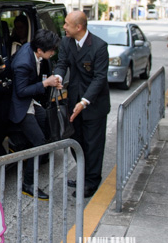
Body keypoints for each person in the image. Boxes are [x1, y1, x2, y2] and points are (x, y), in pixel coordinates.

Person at [52, 11, 110, 198]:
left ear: (79, 27)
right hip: (73, 101)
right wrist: (58, 76)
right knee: (77, 142)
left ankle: (92, 182)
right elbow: (62, 63)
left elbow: (99, 78)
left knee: (93, 144)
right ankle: (84, 175)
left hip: (93, 104)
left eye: (67, 24)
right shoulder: (67, 42)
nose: (64, 27)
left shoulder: (99, 47)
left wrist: (84, 102)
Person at [7, 29, 62, 200]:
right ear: (39, 50)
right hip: (20, 105)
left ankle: (22, 148)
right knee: (39, 142)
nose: (53, 53)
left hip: (30, 101)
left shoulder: (32, 51)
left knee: (44, 120)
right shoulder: (23, 63)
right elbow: (21, 91)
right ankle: (28, 183)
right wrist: (46, 83)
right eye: (51, 50)